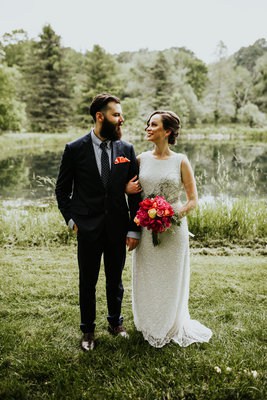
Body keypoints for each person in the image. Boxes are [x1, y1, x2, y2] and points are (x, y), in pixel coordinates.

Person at [55, 93, 142, 351]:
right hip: (87, 227)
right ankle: (88, 330)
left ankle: (116, 323)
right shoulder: (75, 149)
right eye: (116, 115)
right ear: (100, 117)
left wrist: (134, 228)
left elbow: (136, 192)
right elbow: (62, 191)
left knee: (115, 279)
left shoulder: (126, 150)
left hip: (117, 226)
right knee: (87, 280)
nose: (121, 119)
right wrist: (71, 220)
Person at [126, 110, 212, 348]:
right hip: (146, 228)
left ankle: (171, 324)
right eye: (147, 124)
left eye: (153, 125)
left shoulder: (181, 160)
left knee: (171, 277)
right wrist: (127, 191)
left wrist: (170, 216)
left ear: (167, 131)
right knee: (148, 275)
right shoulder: (141, 159)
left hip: (173, 231)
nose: (148, 128)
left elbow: (193, 200)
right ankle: (149, 323)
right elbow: (130, 191)